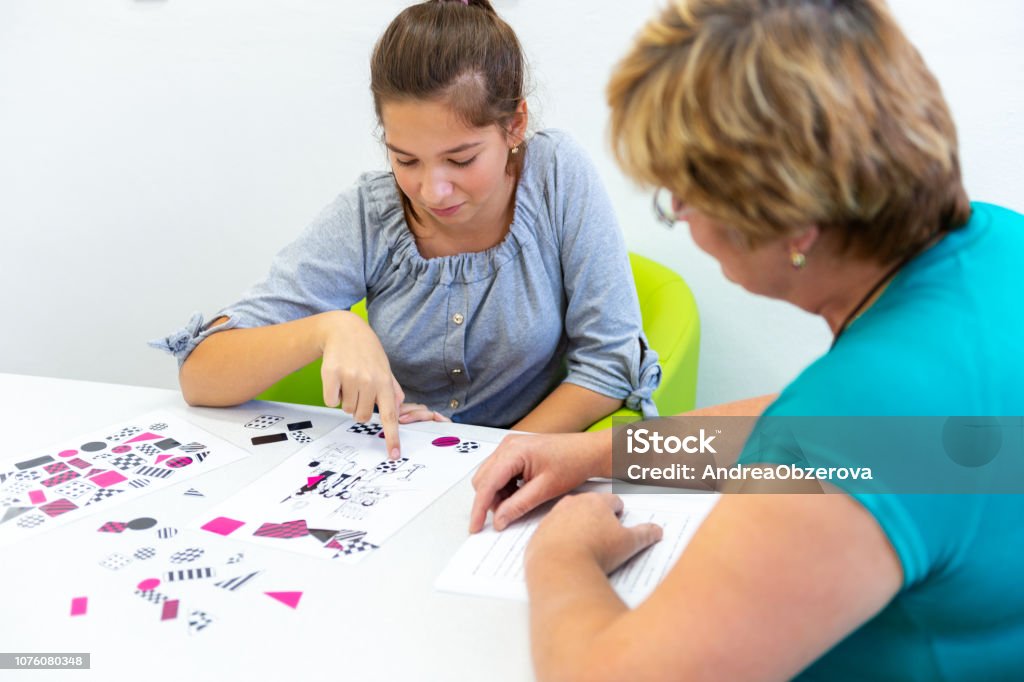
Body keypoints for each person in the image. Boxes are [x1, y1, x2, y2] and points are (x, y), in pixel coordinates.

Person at [469, 0, 1024, 679]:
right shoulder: (998, 248)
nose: (684, 222)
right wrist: (601, 452)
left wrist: (562, 555)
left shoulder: (848, 421)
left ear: (792, 222)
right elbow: (873, 444)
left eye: (683, 199)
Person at [150, 0, 660, 460]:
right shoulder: (369, 214)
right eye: (405, 159)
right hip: (403, 476)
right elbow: (200, 375)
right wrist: (331, 328)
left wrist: (492, 457)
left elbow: (609, 365)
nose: (432, 190)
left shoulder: (556, 175)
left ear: (515, 125)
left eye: (461, 159)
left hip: (535, 462)